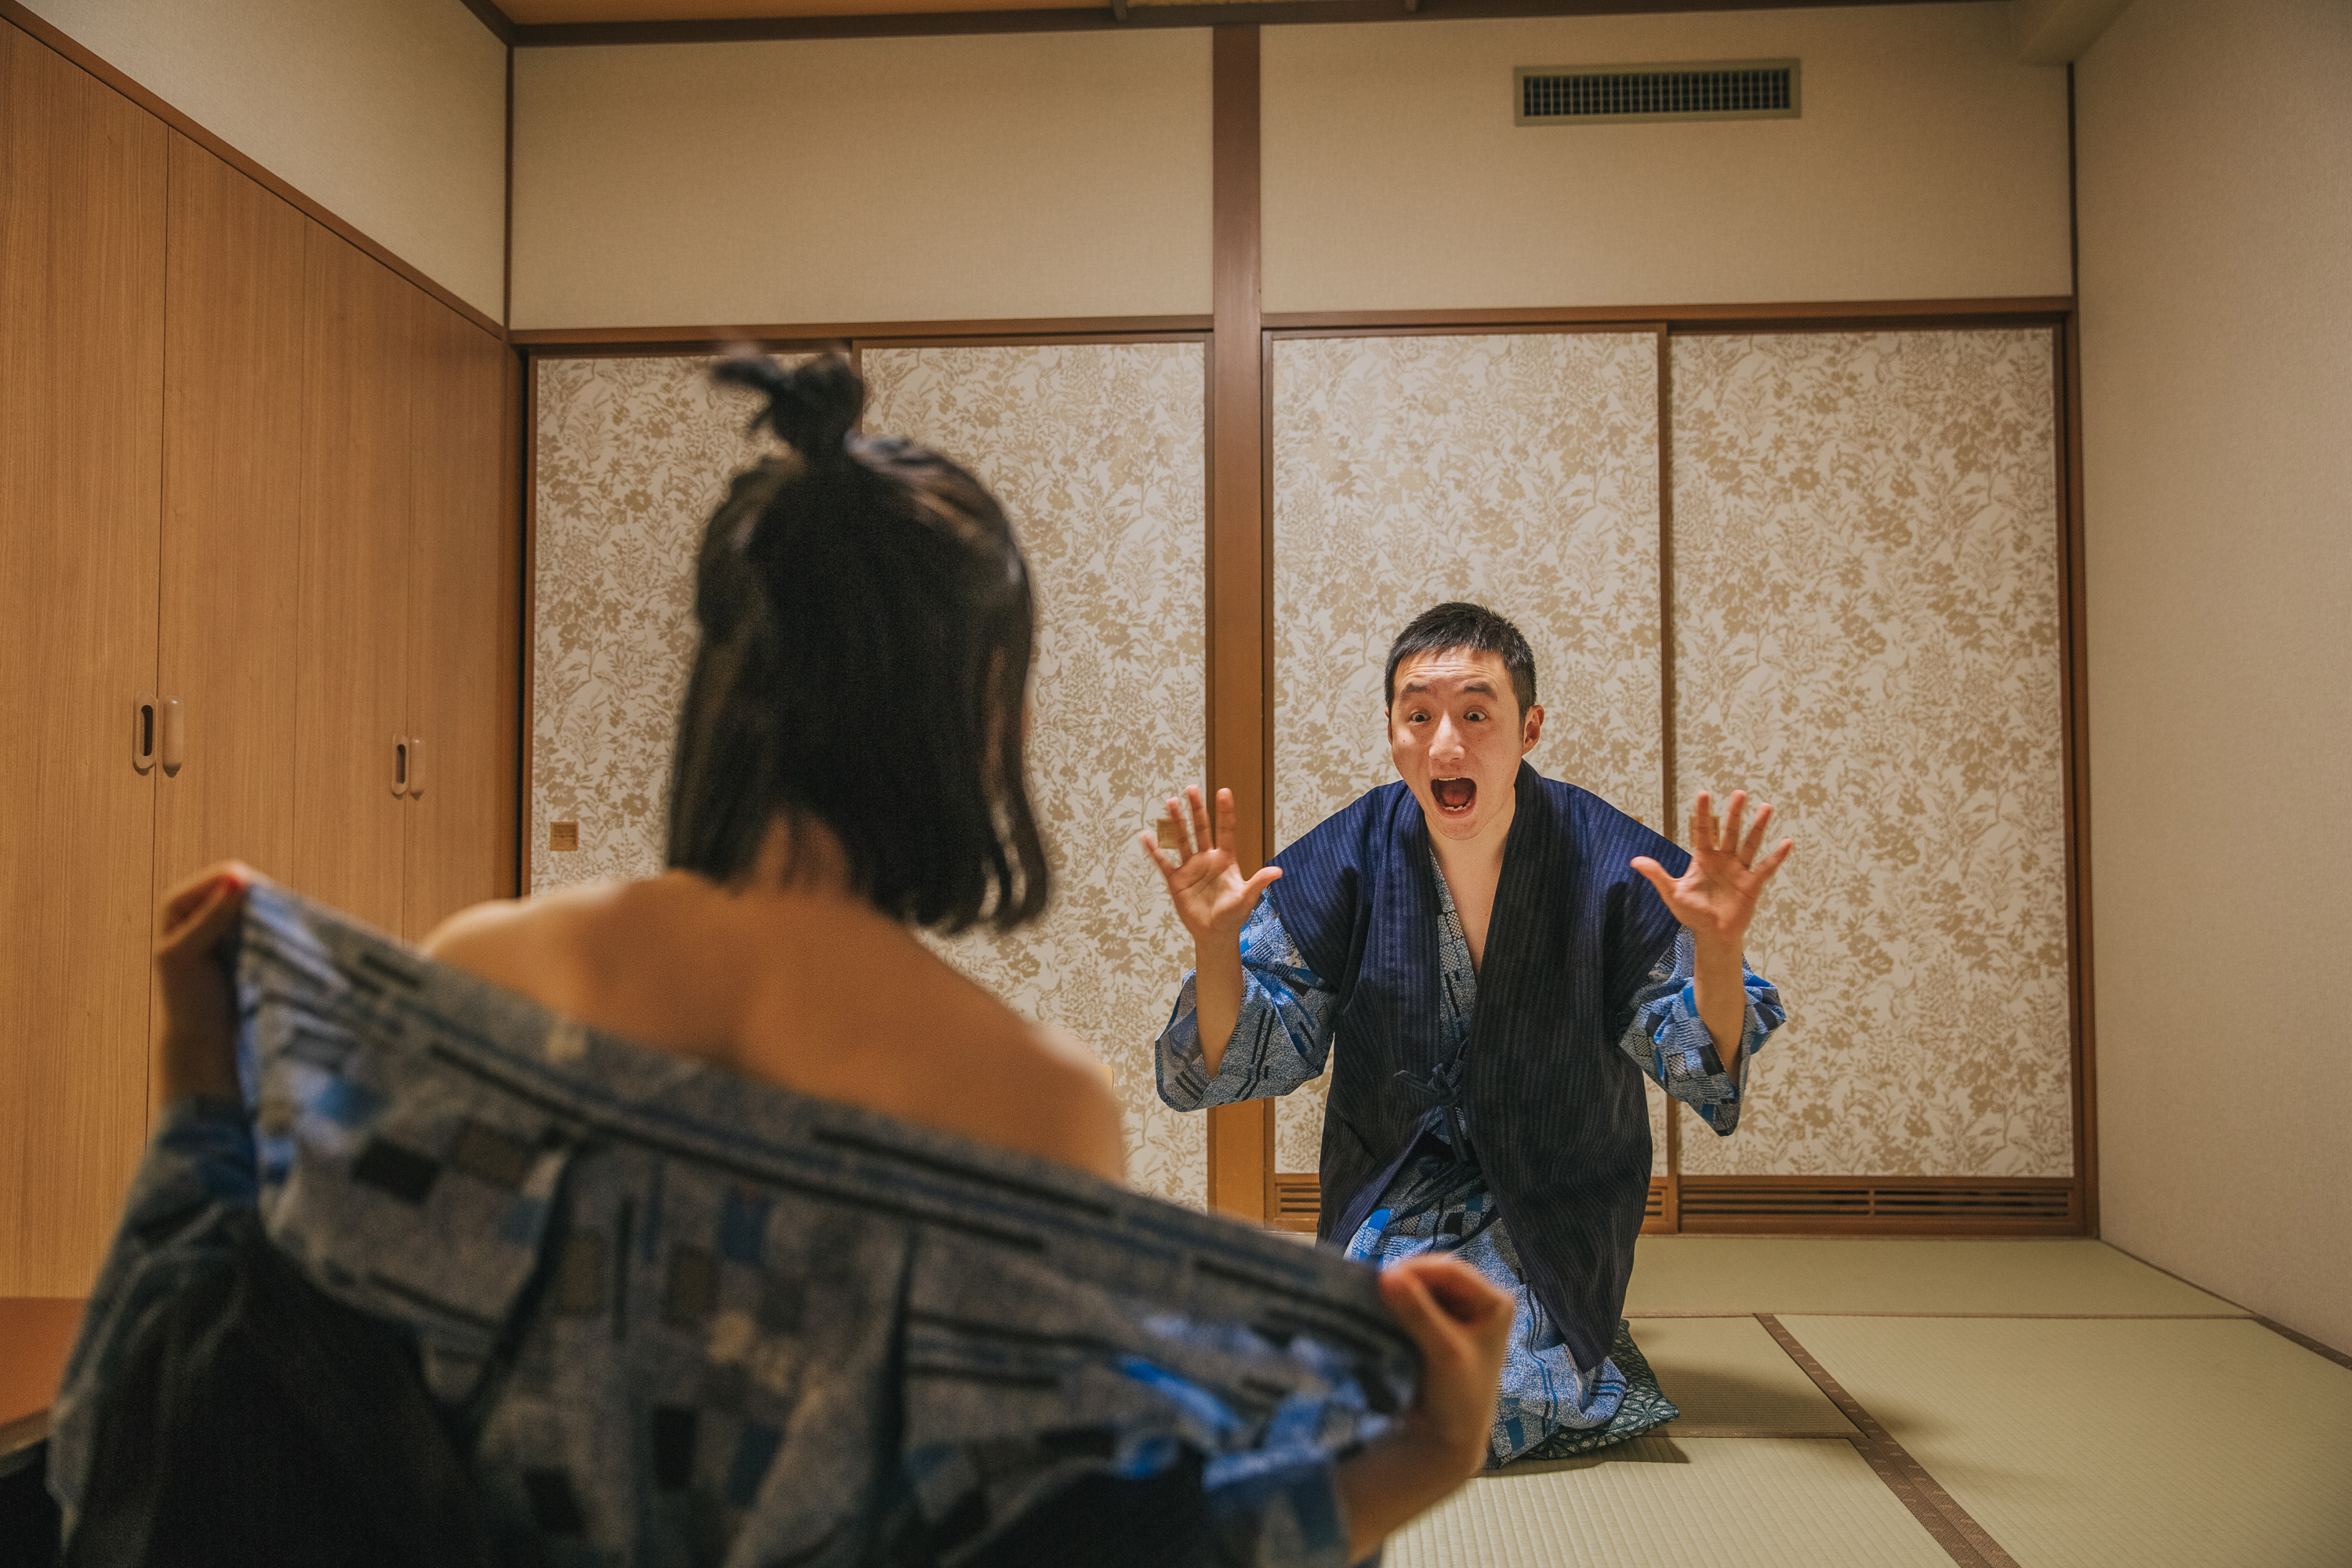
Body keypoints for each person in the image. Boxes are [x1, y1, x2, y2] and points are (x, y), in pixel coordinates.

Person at [50, 357, 1512, 1566]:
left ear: (723, 679)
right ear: (983, 712)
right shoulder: (1032, 1104)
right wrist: (1408, 1459)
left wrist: (202, 1074)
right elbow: (1073, 1543)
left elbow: (242, 1406)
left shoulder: (492, 971)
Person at [1144, 602, 1791, 1467]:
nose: (1446, 744)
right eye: (1419, 715)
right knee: (1351, 1371)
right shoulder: (1353, 850)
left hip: (1555, 1190)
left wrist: (1717, 950)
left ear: (1530, 728)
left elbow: (1697, 1056)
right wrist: (1216, 945)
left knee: (1480, 1391)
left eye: (1476, 714)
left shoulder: (1606, 856)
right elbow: (1243, 1049)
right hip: (1394, 1181)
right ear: (1392, 730)